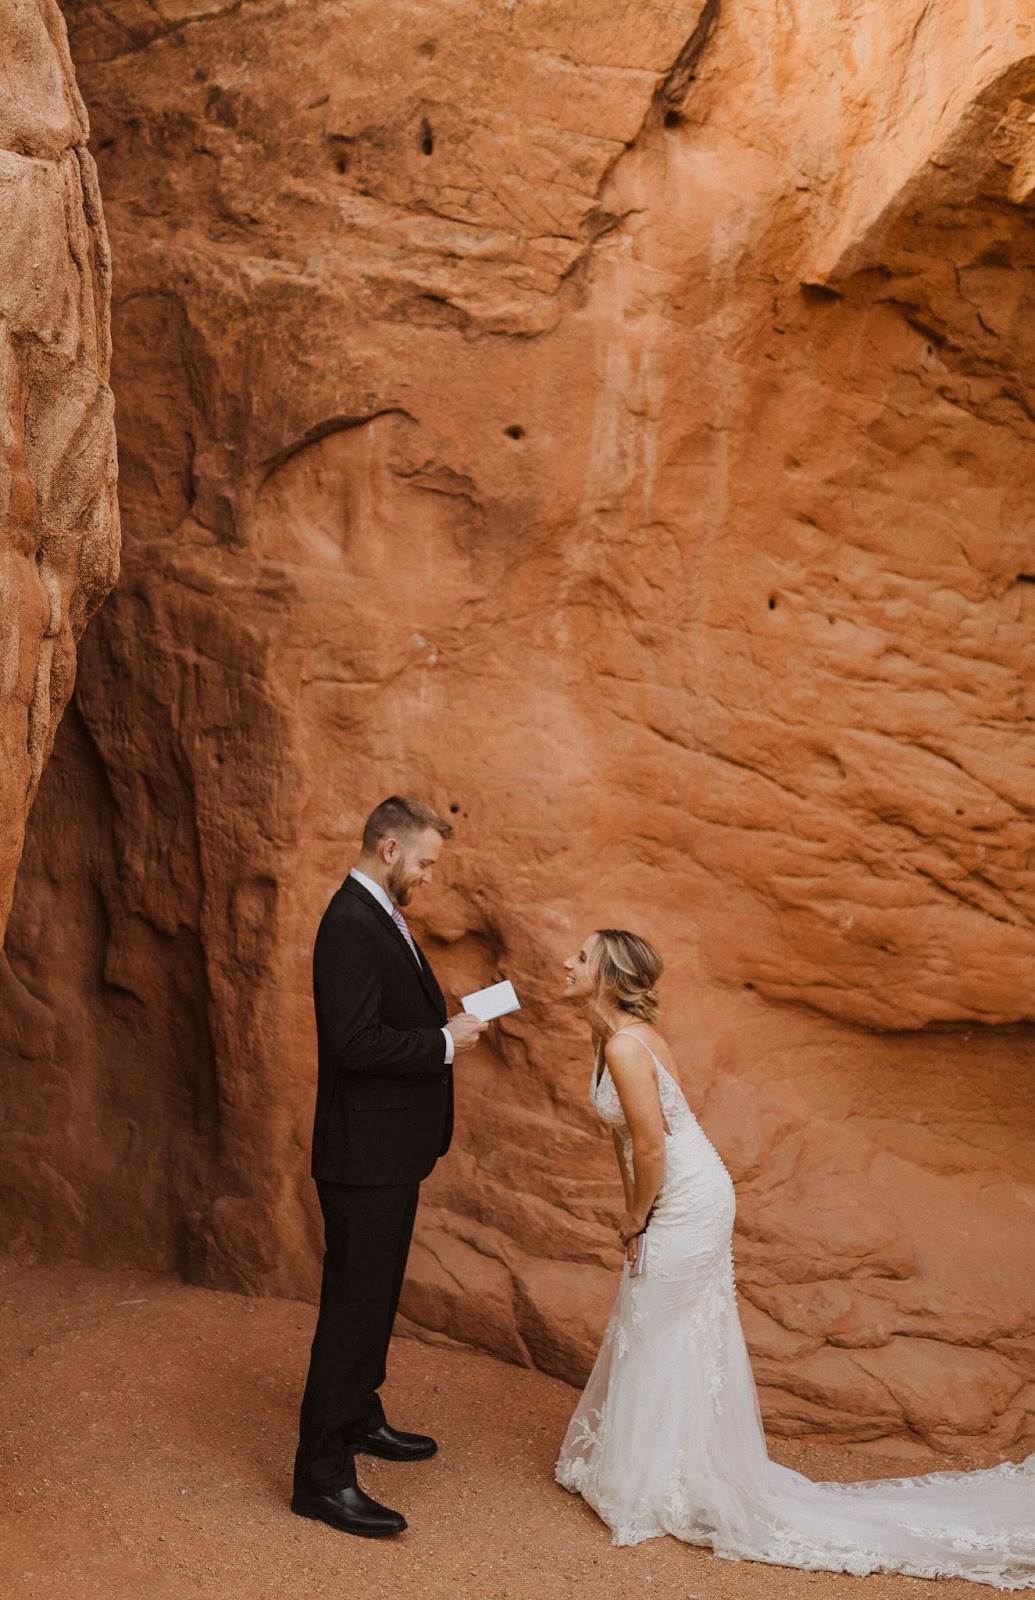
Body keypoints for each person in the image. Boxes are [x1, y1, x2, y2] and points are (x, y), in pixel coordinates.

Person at [556, 928, 1035, 1587]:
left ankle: (664, 1481)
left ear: (609, 978)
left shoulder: (624, 1044)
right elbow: (626, 1144)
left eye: (579, 958)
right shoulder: (604, 1039)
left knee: (659, 1324)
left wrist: (637, 1216)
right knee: (652, 1321)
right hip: (672, 1191)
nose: (564, 963)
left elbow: (654, 1148)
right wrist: (628, 1211)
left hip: (687, 1196)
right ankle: (652, 1466)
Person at [293, 796, 486, 1539]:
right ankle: (320, 1478)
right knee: (351, 1311)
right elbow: (350, 1043)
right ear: (387, 848)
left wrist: (443, 1029)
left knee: (373, 1302)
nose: (430, 876)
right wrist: (441, 1044)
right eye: (426, 861)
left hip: (390, 1152)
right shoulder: (348, 922)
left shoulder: (377, 914)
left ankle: (359, 1417)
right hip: (362, 1157)